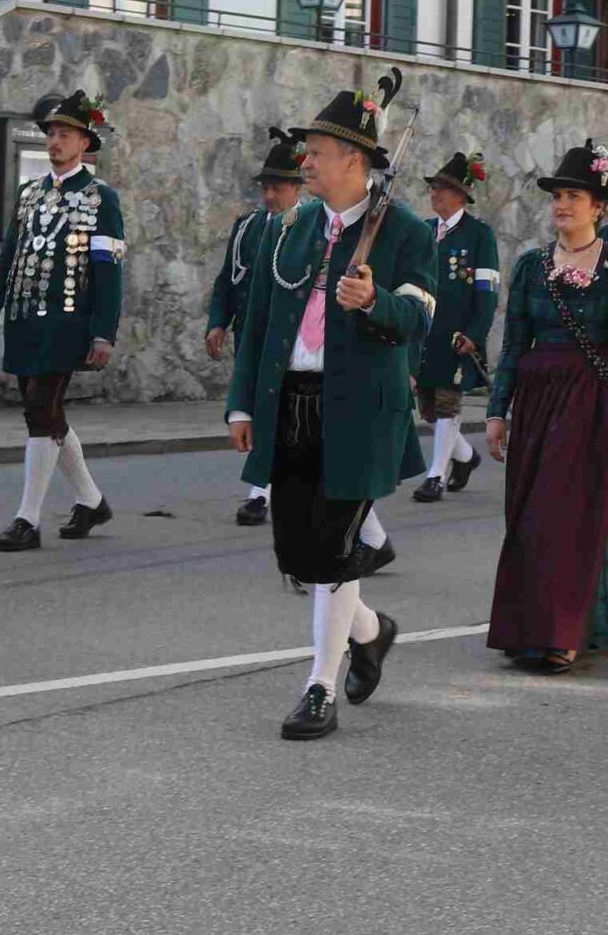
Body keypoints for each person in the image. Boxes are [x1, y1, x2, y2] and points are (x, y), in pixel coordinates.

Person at [223, 75, 430, 740]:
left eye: (316, 151)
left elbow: (420, 317)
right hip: (292, 405)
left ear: (355, 159)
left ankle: (320, 687)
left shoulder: (405, 231)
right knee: (302, 555)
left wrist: (375, 302)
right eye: (306, 150)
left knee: (333, 549)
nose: (304, 161)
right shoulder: (292, 227)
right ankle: (371, 632)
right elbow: (258, 322)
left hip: (362, 412)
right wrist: (241, 405)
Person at [482, 140, 608, 671]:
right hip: (536, 403)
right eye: (558, 196)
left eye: (574, 196)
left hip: (591, 404)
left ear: (598, 207)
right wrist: (498, 412)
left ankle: (563, 634)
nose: (563, 205)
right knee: (529, 517)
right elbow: (513, 346)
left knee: (571, 518)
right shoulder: (531, 266)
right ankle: (528, 628)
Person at [0, 91, 123, 552]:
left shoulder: (101, 198)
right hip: (24, 320)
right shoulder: (29, 194)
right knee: (47, 413)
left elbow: (108, 272)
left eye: (65, 135)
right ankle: (91, 501)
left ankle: (28, 519)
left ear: (84, 143)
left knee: (40, 412)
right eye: (52, 134)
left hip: (67, 323)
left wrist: (103, 332)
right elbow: (9, 256)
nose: (55, 141)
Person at [206, 129, 304, 527]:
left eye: (277, 187)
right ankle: (267, 488)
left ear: (297, 188)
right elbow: (227, 280)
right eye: (266, 187)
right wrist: (218, 322)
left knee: (277, 413)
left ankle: (261, 492)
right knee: (261, 411)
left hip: (289, 340)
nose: (269, 195)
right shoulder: (247, 227)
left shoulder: (308, 229)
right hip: (251, 335)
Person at [412, 151, 498, 504]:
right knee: (428, 409)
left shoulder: (479, 235)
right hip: (425, 335)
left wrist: (475, 334)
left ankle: (436, 475)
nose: (434, 193)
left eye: (442, 188)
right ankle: (464, 456)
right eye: (433, 187)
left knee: (448, 403)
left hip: (457, 336)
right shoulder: (423, 231)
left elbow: (487, 292)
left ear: (461, 195)